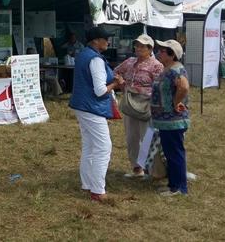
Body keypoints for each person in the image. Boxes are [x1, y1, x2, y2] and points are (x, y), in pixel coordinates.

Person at [69, 26, 124, 201]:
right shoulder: (96, 60)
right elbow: (100, 91)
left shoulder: (83, 54)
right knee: (103, 147)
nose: (108, 41)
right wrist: (115, 83)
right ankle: (98, 191)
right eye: (105, 38)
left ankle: (87, 184)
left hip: (81, 105)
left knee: (89, 147)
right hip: (92, 107)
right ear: (96, 41)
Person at [113, 34, 163, 178]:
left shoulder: (156, 65)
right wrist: (121, 82)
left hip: (146, 105)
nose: (138, 48)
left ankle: (149, 169)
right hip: (129, 104)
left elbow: (160, 87)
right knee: (131, 138)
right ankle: (136, 169)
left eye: (142, 46)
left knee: (147, 137)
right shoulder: (129, 61)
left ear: (150, 49)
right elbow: (115, 71)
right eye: (137, 45)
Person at [151, 39, 190, 196]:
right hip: (166, 120)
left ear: (172, 55)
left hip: (173, 120)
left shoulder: (176, 70)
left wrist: (176, 102)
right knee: (170, 153)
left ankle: (180, 187)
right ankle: (173, 184)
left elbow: (184, 86)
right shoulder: (168, 69)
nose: (158, 53)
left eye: (162, 51)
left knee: (175, 153)